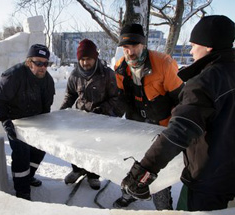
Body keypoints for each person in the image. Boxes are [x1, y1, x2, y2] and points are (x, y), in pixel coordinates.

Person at [120, 15, 235, 212]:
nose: (190, 50)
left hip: (208, 181)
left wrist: (143, 172)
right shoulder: (121, 67)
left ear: (208, 46)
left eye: (193, 45)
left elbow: (180, 129)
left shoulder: (201, 82)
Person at [112, 24, 184, 210]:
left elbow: (181, 100)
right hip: (135, 123)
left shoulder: (164, 64)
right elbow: (121, 98)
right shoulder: (120, 67)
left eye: (134, 45)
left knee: (156, 168)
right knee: (130, 161)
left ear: (143, 44)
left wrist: (173, 130)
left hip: (161, 125)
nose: (129, 51)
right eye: (125, 47)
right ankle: (129, 194)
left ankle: (163, 207)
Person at [0, 44, 55, 200]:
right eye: (38, 63)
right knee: (22, 155)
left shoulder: (48, 81)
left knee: (39, 151)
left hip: (37, 123)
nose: (42, 67)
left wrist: (46, 124)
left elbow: (46, 106)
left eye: (45, 63)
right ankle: (22, 191)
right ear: (29, 62)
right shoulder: (13, 76)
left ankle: (29, 176)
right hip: (16, 123)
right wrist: (6, 121)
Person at [60, 39, 123, 190]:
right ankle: (77, 170)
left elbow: (117, 97)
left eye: (88, 59)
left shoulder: (107, 74)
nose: (85, 62)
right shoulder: (75, 75)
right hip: (81, 118)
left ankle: (93, 175)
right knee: (76, 145)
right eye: (82, 59)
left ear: (95, 58)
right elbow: (70, 95)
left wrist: (102, 109)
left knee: (97, 148)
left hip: (102, 118)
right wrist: (61, 112)